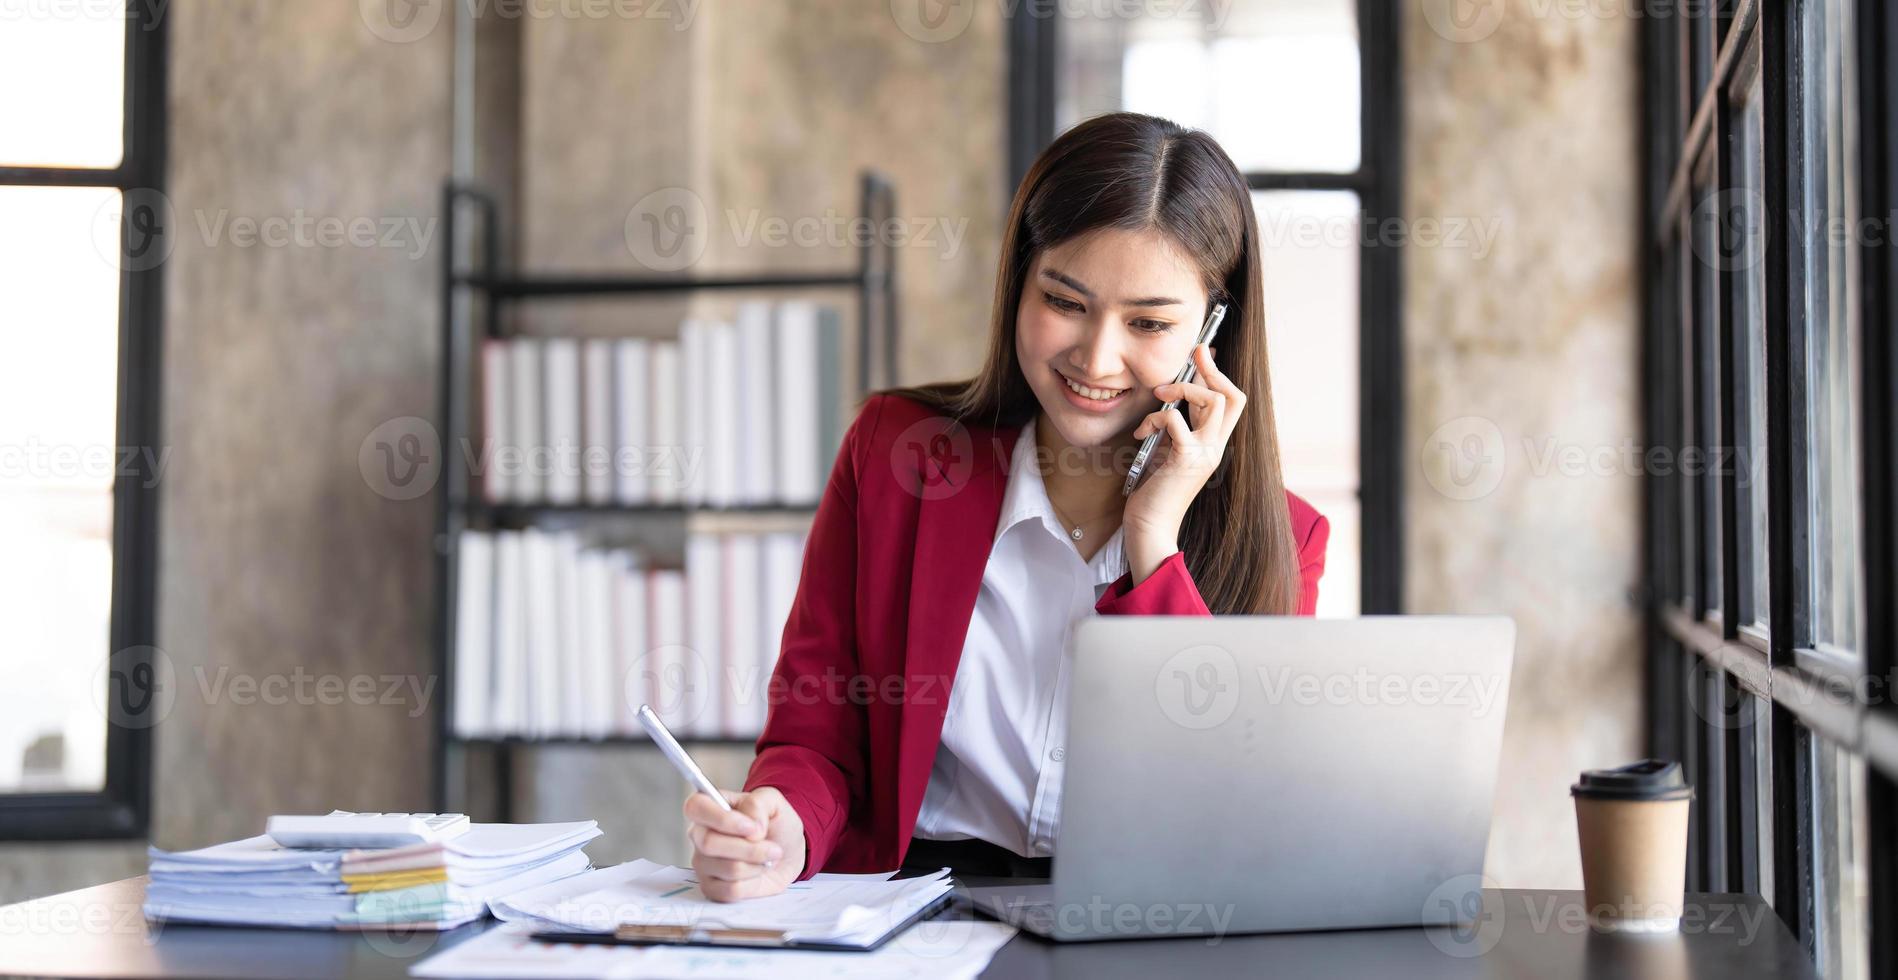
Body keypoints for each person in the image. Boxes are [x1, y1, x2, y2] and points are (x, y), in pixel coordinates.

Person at [684, 112, 1330, 901]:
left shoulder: (1285, 539)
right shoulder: (898, 454)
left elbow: (1229, 811)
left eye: (1150, 323)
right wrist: (783, 823)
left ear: (1214, 330)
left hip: (1132, 923)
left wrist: (1153, 542)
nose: (1095, 359)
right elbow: (818, 731)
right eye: (1065, 301)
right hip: (914, 909)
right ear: (1019, 280)